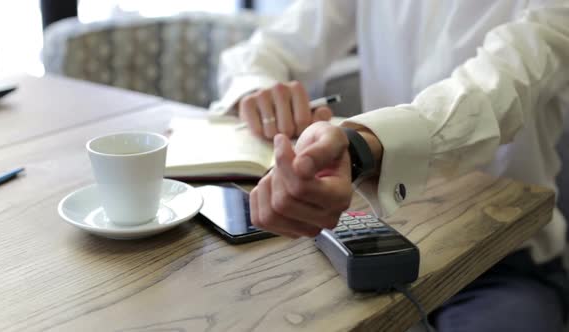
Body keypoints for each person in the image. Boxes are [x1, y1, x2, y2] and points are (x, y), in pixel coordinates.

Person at [210, 1, 569, 331]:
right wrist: (256, 93)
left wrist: (361, 146)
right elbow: (268, 47)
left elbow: (500, 90)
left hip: (503, 260)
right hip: (371, 237)